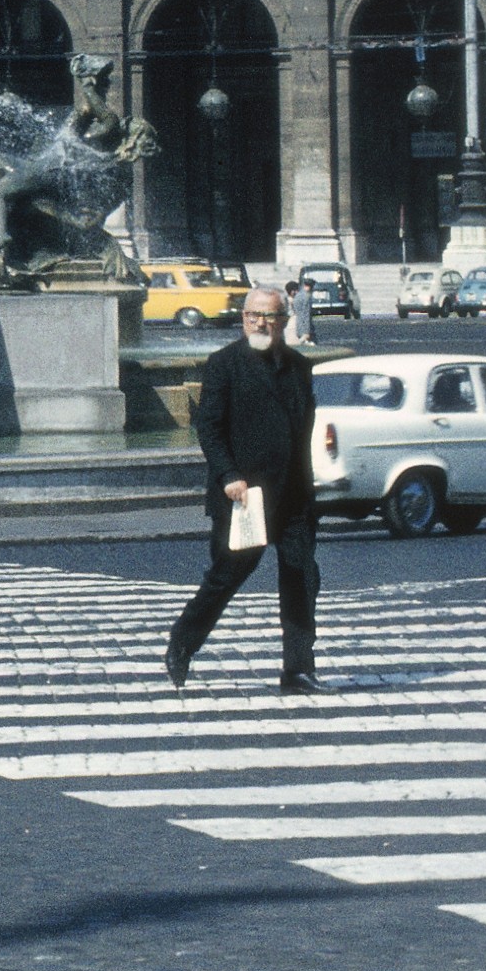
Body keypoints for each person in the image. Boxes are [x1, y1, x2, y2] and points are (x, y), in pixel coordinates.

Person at [166, 290, 321, 692]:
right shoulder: (224, 364)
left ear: (284, 321)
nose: (261, 324)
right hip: (244, 496)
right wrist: (228, 475)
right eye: (253, 316)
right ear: (243, 319)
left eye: (270, 317)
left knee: (302, 577)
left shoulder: (299, 366)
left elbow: (302, 430)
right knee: (228, 575)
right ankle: (183, 639)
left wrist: (309, 487)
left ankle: (298, 670)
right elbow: (209, 427)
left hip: (293, 495)